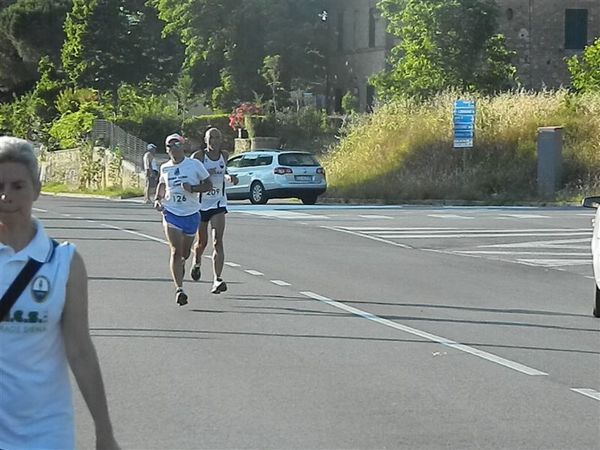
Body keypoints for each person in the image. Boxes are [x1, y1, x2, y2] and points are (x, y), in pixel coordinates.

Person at [0, 136, 120, 450]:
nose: (6, 196)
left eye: (18, 186)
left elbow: (80, 350)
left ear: (36, 190)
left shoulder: (63, 262)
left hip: (46, 431)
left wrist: (104, 432)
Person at [155, 133, 212, 305]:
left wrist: (193, 188)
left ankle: (182, 265)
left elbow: (208, 185)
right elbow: (162, 184)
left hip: (191, 213)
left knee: (185, 253)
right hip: (171, 212)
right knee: (175, 251)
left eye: (176, 145)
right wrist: (158, 199)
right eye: (169, 146)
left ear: (183, 146)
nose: (173, 148)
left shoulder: (194, 165)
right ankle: (179, 289)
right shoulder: (165, 167)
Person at [190, 127, 238, 294]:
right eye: (211, 138)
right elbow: (190, 175)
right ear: (205, 140)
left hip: (218, 203)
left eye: (217, 137)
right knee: (202, 242)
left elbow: (224, 172)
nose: (214, 141)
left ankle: (217, 279)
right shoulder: (198, 157)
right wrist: (201, 179)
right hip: (201, 205)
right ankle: (196, 262)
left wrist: (231, 178)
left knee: (217, 241)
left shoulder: (224, 155)